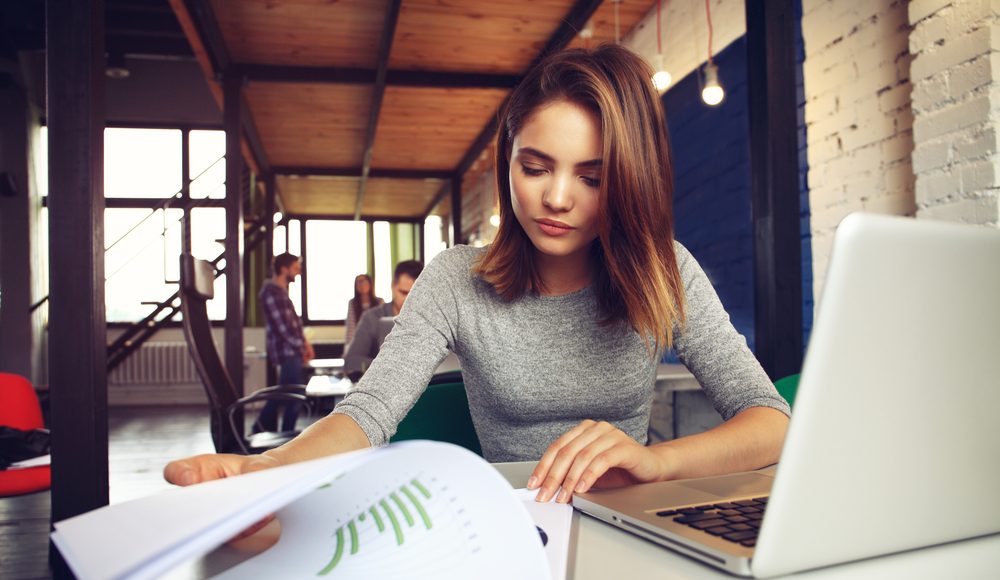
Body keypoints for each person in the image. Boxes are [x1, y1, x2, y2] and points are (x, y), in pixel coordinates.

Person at [165, 45, 790, 508]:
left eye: (592, 178)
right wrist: (266, 471)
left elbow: (771, 420)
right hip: (511, 524)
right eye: (536, 167)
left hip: (628, 521)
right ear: (508, 161)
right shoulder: (455, 279)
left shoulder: (665, 270)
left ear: (628, 181)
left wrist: (655, 463)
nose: (558, 198)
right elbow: (368, 412)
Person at [255, 252, 314, 433]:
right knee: (292, 395)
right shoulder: (271, 293)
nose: (298, 272)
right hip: (287, 352)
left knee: (286, 394)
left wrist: (305, 343)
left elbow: (294, 324)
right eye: (295, 268)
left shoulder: (282, 292)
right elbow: (283, 330)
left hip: (293, 351)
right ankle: (274, 431)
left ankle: (265, 429)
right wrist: (301, 345)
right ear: (283, 269)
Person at [343, 260, 424, 380]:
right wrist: (392, 367)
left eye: (416, 295)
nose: (409, 301)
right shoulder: (372, 318)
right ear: (393, 286)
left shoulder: (431, 319)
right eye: (404, 293)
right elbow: (351, 361)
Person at [344, 274, 383, 345]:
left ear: (370, 284)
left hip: (376, 342)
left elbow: (382, 324)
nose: (361, 285)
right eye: (358, 282)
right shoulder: (352, 303)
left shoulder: (379, 302)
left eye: (364, 282)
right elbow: (351, 327)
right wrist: (349, 346)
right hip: (358, 341)